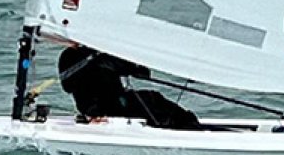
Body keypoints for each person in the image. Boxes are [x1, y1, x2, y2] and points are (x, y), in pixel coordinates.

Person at [57, 45, 201, 130]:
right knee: (151, 99)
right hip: (109, 108)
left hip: (94, 107)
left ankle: (186, 125)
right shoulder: (94, 56)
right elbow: (139, 71)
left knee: (151, 98)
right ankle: (189, 127)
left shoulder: (69, 56)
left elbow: (67, 87)